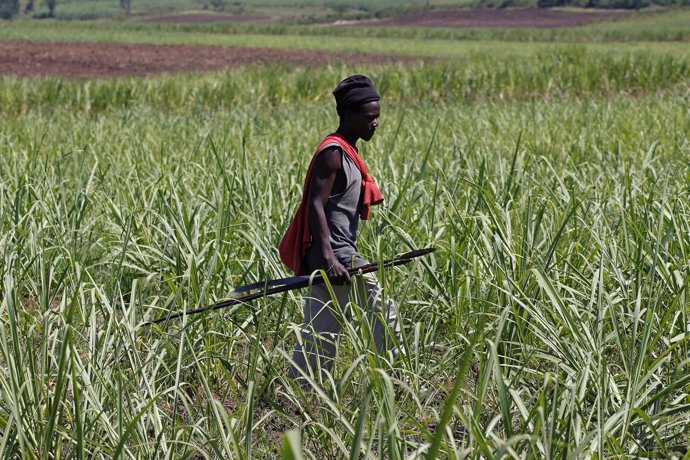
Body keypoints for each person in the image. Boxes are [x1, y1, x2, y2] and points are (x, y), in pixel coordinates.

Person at [279, 75, 401, 379]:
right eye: (370, 117)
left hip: (334, 256)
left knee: (320, 329)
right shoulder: (332, 153)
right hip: (336, 256)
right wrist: (331, 258)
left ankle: (301, 388)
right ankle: (396, 380)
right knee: (385, 315)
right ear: (348, 115)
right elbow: (315, 205)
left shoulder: (348, 152)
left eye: (378, 117)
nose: (375, 123)